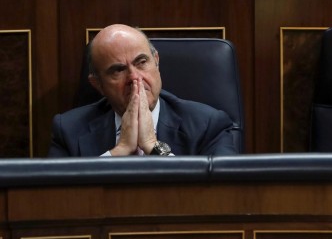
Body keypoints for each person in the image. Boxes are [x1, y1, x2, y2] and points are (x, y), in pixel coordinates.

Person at [47, 24, 237, 157]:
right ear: (98, 85)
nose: (134, 77)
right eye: (118, 70)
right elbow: (56, 200)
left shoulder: (209, 125)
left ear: (157, 61)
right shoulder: (68, 130)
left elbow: (223, 194)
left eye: (142, 62)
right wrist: (118, 152)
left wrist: (153, 147)